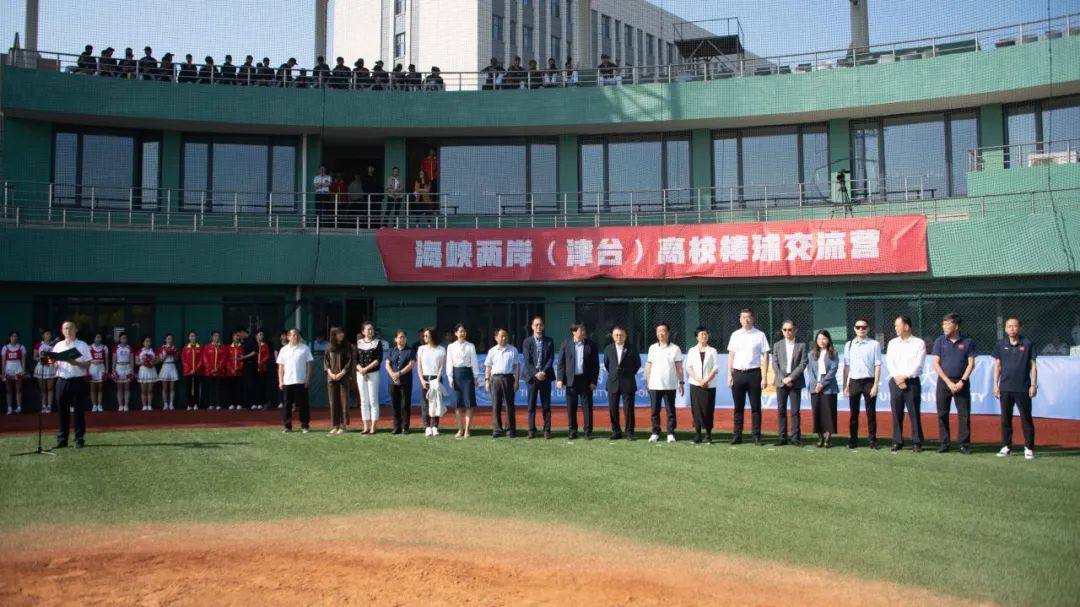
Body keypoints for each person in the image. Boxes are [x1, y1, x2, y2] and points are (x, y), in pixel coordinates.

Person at [993, 317, 1038, 460]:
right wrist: (995, 384)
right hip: (1005, 387)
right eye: (1009, 326)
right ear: (1005, 329)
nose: (1012, 329)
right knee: (1005, 418)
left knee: (1026, 418)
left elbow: (1033, 366)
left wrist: (1033, 385)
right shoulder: (1000, 344)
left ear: (1020, 328)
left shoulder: (1028, 344)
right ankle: (1006, 446)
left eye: (1015, 326)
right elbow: (997, 366)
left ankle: (1029, 448)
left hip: (1023, 387)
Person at [931, 313, 976, 454]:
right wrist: (948, 382)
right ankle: (944, 443)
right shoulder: (940, 341)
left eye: (947, 324)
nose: (944, 327)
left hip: (961, 382)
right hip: (944, 382)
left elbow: (971, 364)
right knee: (942, 413)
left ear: (956, 326)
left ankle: (963, 444)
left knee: (964, 414)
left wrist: (962, 381)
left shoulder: (968, 342)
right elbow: (936, 363)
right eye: (943, 324)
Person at [726, 309, 770, 444]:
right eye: (743, 317)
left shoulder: (760, 335)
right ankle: (737, 435)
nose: (746, 319)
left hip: (754, 374)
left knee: (755, 407)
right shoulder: (735, 335)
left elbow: (766, 356)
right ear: (740, 319)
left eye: (749, 317)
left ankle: (756, 436)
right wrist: (729, 375)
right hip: (738, 374)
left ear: (753, 318)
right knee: (738, 407)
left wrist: (764, 377)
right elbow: (731, 356)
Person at [885, 315, 927, 452]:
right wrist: (898, 378)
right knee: (896, 413)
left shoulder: (919, 343)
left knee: (914, 412)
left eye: (898, 325)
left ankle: (917, 441)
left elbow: (918, 365)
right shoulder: (892, 343)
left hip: (912, 381)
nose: (895, 328)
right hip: (895, 381)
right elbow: (890, 362)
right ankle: (897, 441)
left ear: (906, 326)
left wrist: (905, 377)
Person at [49, 321, 92, 449]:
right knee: (62, 411)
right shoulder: (58, 345)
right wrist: (52, 362)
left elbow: (88, 364)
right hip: (62, 380)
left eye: (70, 328)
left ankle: (79, 438)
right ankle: (62, 439)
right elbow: (54, 365)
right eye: (65, 328)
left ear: (76, 330)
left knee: (79, 410)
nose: (68, 331)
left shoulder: (82, 345)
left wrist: (76, 363)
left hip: (77, 380)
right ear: (62, 331)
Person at [843, 319, 882, 449]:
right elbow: (846, 366)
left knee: (871, 413)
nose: (861, 329)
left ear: (868, 329)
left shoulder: (874, 344)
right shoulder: (849, 345)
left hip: (869, 381)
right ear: (854, 329)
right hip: (854, 381)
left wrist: (876, 384)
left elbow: (877, 365)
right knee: (854, 413)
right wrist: (845, 385)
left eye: (864, 327)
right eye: (858, 327)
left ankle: (872, 440)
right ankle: (853, 440)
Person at [556, 323, 599, 440]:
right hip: (571, 381)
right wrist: (559, 379)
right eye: (581, 330)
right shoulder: (566, 344)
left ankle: (588, 431)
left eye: (584, 330)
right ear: (574, 332)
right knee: (571, 408)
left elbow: (595, 365)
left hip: (586, 380)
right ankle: (572, 431)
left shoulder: (591, 345)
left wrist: (593, 381)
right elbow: (561, 363)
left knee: (587, 407)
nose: (584, 332)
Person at [645, 322, 684, 444]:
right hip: (654, 385)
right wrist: (648, 382)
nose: (660, 333)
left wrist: (681, 383)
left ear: (668, 333)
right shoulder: (652, 348)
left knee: (670, 411)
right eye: (658, 331)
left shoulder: (675, 348)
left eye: (663, 331)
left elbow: (679, 367)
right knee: (654, 411)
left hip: (670, 385)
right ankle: (655, 432)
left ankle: (670, 433)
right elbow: (649, 366)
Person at [772, 319, 807, 446]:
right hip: (781, 382)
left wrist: (791, 377)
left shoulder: (801, 345)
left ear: (795, 330)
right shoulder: (777, 345)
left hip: (795, 382)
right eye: (785, 329)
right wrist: (783, 378)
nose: (787, 332)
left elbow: (803, 363)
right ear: (782, 331)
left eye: (790, 329)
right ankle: (782, 437)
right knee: (781, 410)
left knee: (795, 411)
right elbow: (774, 363)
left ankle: (795, 438)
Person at [602, 325, 640, 440]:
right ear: (613, 336)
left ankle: (629, 432)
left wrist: (628, 374)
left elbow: (637, 364)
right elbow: (607, 364)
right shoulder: (608, 349)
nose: (619, 337)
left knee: (628, 409)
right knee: (613, 408)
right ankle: (616, 431)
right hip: (613, 382)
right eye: (616, 335)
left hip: (628, 382)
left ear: (625, 336)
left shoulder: (632, 348)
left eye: (621, 335)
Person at [685, 326, 719, 444]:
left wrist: (706, 380)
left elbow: (715, 367)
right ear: (697, 337)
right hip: (695, 384)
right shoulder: (692, 350)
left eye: (705, 334)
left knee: (708, 409)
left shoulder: (713, 351)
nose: (704, 336)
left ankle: (708, 435)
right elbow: (689, 367)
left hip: (709, 385)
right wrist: (699, 380)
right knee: (696, 410)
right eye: (701, 334)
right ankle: (698, 435)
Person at [522, 316, 555, 439]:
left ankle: (547, 430)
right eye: (536, 325)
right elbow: (527, 361)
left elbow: (551, 358)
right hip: (532, 378)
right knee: (531, 405)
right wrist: (536, 373)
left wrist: (543, 372)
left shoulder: (549, 341)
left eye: (540, 324)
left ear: (543, 326)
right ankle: (531, 429)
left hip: (545, 377)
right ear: (532, 327)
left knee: (546, 405)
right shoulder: (527, 342)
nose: (539, 327)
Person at [446, 323, 480, 439]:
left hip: (468, 375)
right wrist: (450, 378)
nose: (462, 333)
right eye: (460, 331)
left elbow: (474, 362)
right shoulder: (450, 347)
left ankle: (467, 430)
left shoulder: (471, 346)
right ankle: (460, 429)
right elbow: (449, 363)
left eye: (464, 331)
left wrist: (475, 377)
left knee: (469, 404)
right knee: (457, 404)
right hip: (456, 374)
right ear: (455, 333)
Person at [484, 329, 520, 438]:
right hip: (495, 379)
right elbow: (488, 366)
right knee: (496, 405)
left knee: (509, 405)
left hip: (508, 378)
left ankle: (510, 429)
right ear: (496, 338)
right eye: (502, 336)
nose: (504, 338)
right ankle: (497, 429)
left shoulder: (513, 350)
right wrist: (487, 380)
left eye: (506, 336)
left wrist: (516, 381)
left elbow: (517, 367)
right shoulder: (492, 351)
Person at [278, 328, 314, 433]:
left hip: (301, 381)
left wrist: (307, 379)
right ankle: (287, 426)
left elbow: (309, 365)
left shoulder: (305, 348)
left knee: (303, 404)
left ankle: (305, 426)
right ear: (288, 337)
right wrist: (280, 381)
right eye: (293, 335)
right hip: (287, 381)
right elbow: (281, 367)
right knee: (287, 405)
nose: (296, 337)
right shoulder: (283, 350)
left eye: (297, 335)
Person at [808, 330, 839, 448]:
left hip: (828, 387)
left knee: (829, 413)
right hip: (814, 387)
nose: (821, 341)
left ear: (828, 340)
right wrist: (816, 383)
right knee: (817, 412)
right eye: (819, 339)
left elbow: (833, 370)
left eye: (824, 338)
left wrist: (822, 384)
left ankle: (828, 438)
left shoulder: (833, 353)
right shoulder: (811, 354)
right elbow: (810, 370)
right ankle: (820, 437)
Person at [417, 327, 447, 436]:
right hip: (424, 378)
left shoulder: (441, 349)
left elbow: (441, 366)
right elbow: (419, 367)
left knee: (436, 402)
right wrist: (422, 380)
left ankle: (435, 426)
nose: (424, 337)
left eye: (427, 335)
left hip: (436, 378)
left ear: (432, 336)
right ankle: (427, 426)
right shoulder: (421, 349)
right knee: (425, 403)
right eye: (424, 335)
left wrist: (437, 379)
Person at [354, 321, 383, 433]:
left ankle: (373, 426)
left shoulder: (377, 343)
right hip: (360, 374)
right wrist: (361, 370)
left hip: (373, 373)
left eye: (372, 329)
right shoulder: (359, 343)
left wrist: (366, 369)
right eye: (368, 329)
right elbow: (355, 359)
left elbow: (378, 360)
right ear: (363, 331)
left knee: (373, 399)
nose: (370, 331)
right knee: (363, 400)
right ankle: (366, 425)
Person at [324, 326, 353, 435]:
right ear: (334, 335)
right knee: (333, 402)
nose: (341, 335)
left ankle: (343, 426)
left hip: (343, 378)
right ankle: (335, 425)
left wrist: (342, 373)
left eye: (342, 333)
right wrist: (330, 373)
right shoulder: (329, 347)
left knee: (344, 402)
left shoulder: (347, 346)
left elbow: (350, 362)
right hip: (331, 378)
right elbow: (326, 362)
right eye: (339, 333)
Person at [385, 329, 415, 435]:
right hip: (392, 381)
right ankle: (396, 427)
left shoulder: (410, 351)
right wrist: (393, 375)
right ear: (395, 339)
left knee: (405, 404)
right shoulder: (391, 351)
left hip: (405, 381)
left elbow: (411, 364)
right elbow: (387, 364)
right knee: (394, 404)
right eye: (400, 337)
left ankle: (405, 427)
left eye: (404, 337)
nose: (402, 339)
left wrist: (399, 373)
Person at [33, 329, 57, 414]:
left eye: (49, 334)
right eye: (46, 334)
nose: (48, 335)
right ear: (43, 336)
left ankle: (49, 406)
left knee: (50, 388)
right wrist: (41, 359)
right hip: (41, 367)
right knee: (43, 389)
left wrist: (50, 360)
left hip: (51, 367)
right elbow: (34, 357)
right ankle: (43, 406)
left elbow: (57, 356)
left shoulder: (55, 345)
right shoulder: (38, 345)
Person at [201, 331, 226, 410]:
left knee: (218, 388)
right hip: (209, 372)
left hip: (219, 372)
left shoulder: (222, 347)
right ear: (212, 337)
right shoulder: (207, 347)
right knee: (210, 388)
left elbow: (223, 359)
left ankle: (218, 404)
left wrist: (217, 368)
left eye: (218, 336)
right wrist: (210, 369)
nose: (216, 337)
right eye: (215, 336)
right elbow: (205, 359)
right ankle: (211, 404)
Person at [3, 331, 27, 414]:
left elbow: (23, 360)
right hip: (8, 369)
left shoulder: (21, 347)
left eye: (16, 336)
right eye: (12, 336)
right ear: (9, 338)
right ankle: (9, 408)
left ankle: (19, 407)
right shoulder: (5, 348)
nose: (14, 338)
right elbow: (3, 361)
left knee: (18, 390)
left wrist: (23, 370)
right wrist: (3, 373)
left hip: (18, 369)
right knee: (8, 390)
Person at [155, 333, 179, 411]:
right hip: (165, 366)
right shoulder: (162, 348)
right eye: (168, 339)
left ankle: (171, 404)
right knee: (164, 387)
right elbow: (160, 360)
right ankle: (165, 404)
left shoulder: (174, 347)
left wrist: (173, 353)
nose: (170, 340)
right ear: (165, 340)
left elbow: (177, 359)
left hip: (172, 366)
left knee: (172, 387)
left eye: (171, 339)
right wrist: (166, 352)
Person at [86, 333, 108, 412]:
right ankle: (94, 405)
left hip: (101, 367)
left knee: (100, 389)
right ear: (93, 338)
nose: (98, 339)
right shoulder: (89, 347)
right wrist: (87, 371)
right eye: (97, 337)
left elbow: (107, 360)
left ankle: (99, 405)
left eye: (99, 337)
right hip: (92, 368)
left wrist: (106, 370)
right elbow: (87, 360)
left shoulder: (104, 347)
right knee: (92, 389)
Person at [181, 331, 203, 410]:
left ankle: (196, 404)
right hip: (188, 372)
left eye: (194, 336)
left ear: (196, 337)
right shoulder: (185, 348)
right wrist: (190, 369)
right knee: (188, 388)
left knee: (196, 388)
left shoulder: (199, 348)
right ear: (189, 338)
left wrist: (195, 369)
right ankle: (189, 404)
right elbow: (183, 360)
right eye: (191, 336)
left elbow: (201, 360)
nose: (193, 337)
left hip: (197, 372)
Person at [135, 336, 159, 411]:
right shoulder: (139, 351)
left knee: (150, 390)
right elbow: (136, 362)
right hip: (143, 371)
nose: (148, 343)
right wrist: (143, 362)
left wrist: (152, 363)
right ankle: (144, 405)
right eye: (146, 341)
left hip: (151, 370)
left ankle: (149, 405)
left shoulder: (153, 351)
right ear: (143, 342)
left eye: (149, 341)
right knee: (143, 390)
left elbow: (157, 360)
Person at [111, 333, 133, 411]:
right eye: (122, 338)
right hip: (118, 368)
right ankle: (120, 405)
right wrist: (113, 372)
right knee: (119, 388)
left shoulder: (129, 348)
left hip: (127, 367)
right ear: (120, 339)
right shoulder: (116, 348)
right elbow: (114, 360)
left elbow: (131, 360)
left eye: (125, 338)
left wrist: (132, 371)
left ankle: (126, 405)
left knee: (127, 388)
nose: (124, 339)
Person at [226, 331, 245, 409]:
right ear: (232, 337)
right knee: (231, 389)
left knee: (239, 388)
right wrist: (231, 369)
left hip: (239, 372)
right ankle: (231, 404)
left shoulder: (242, 347)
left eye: (238, 336)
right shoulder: (228, 347)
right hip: (230, 372)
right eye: (235, 336)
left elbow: (243, 360)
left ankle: (239, 403)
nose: (236, 337)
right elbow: (227, 360)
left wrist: (237, 368)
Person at [254, 330, 274, 409]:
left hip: (263, 368)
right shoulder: (254, 345)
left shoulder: (265, 345)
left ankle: (263, 402)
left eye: (262, 335)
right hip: (254, 368)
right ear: (256, 336)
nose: (261, 336)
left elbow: (267, 355)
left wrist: (261, 362)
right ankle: (256, 403)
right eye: (259, 335)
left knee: (263, 386)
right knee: (255, 386)